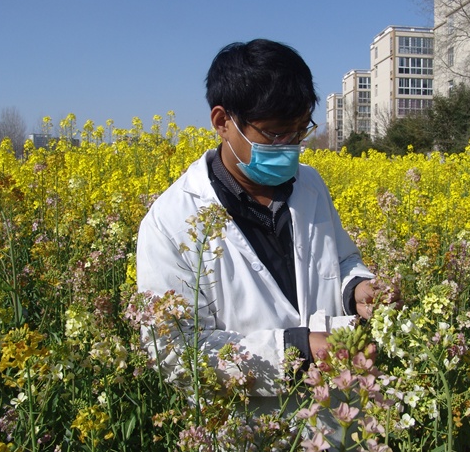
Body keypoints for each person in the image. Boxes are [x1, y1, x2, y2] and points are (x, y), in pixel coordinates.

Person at [136, 38, 384, 396]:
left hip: (337, 409)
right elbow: (175, 352)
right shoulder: (171, 222)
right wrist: (296, 351)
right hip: (250, 418)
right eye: (276, 133)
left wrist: (357, 288)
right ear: (222, 122)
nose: (291, 145)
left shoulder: (310, 184)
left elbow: (341, 259)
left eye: (300, 130)